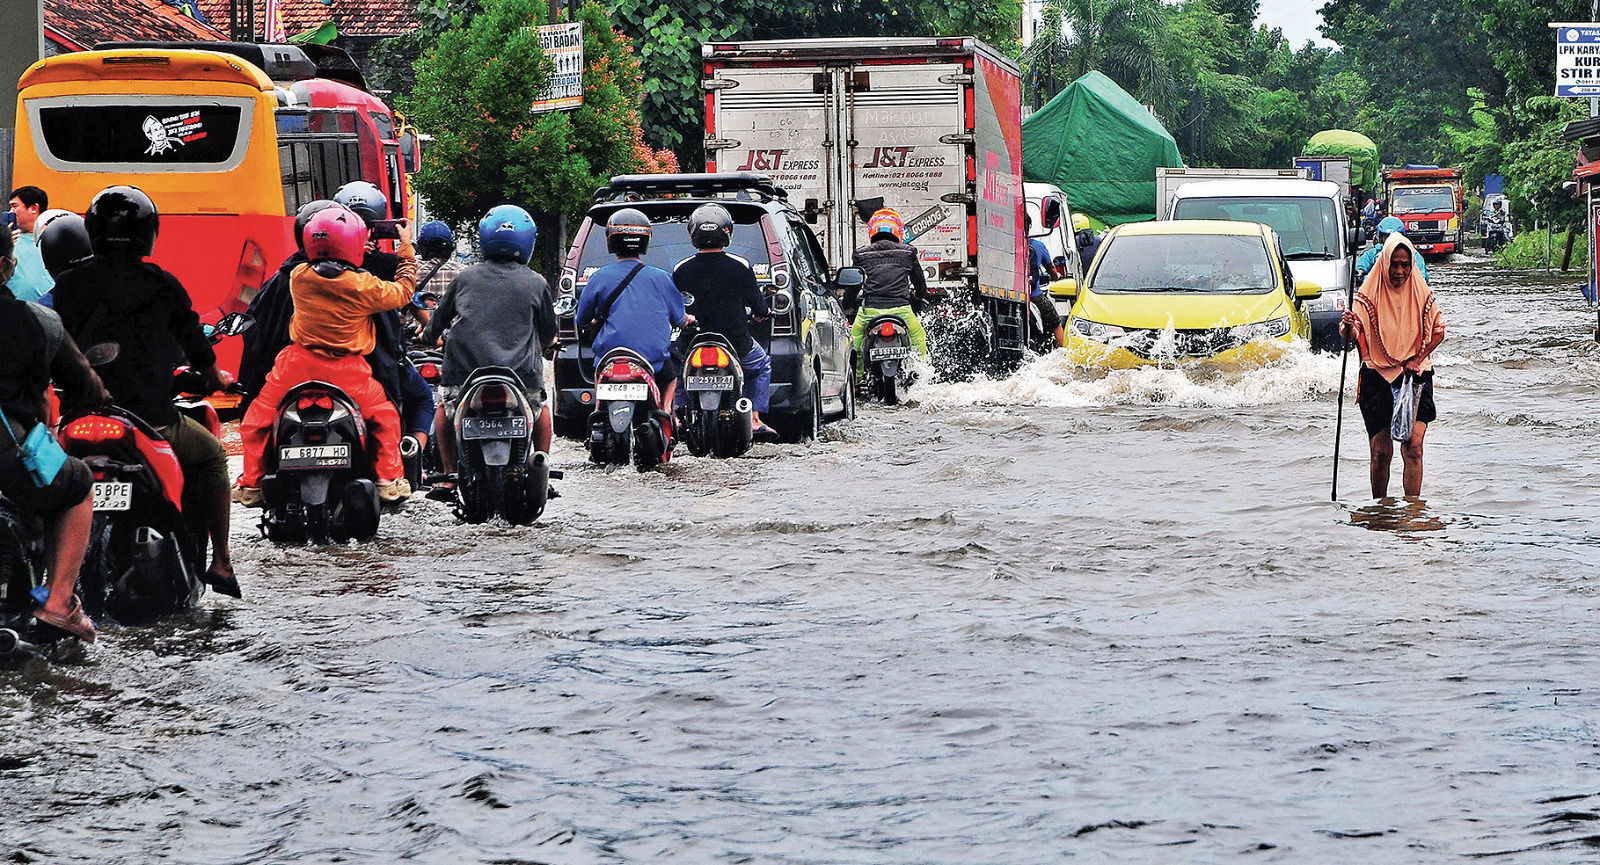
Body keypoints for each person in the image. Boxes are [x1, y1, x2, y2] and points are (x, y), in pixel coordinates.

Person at [50, 186, 240, 597]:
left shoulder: (67, 284)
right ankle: (222, 561)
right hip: (152, 421)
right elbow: (197, 345)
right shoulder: (162, 285)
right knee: (212, 457)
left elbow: (50, 344)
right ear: (149, 233)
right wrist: (215, 378)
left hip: (79, 421)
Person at [235, 207, 417, 504]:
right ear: (353, 243)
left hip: (294, 366)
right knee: (385, 419)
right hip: (349, 373)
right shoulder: (365, 286)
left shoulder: (298, 276)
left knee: (257, 419)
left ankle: (251, 484)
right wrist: (405, 247)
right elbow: (404, 291)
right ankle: (388, 480)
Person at [0, 226, 110, 642]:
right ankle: (59, 602)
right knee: (78, 482)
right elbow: (84, 382)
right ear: (3, 266)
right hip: (11, 456)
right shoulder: (38, 320)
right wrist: (100, 393)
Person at [422, 205, 557, 487]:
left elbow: (436, 324)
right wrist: (546, 345)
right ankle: (540, 466)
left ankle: (448, 475)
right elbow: (547, 334)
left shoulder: (465, 278)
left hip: (464, 374)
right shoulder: (537, 282)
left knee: (445, 409)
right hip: (520, 376)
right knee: (540, 406)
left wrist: (429, 336)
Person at [1339, 234, 1446, 500]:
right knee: (1381, 451)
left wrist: (1418, 358)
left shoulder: (1421, 293)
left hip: (1415, 375)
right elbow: (1352, 335)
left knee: (1414, 448)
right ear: (1385, 263)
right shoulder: (1367, 295)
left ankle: (1413, 510)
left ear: (1412, 265)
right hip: (1376, 375)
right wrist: (1348, 327)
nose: (1399, 271)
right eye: (1394, 264)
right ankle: (1380, 510)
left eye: (1405, 264)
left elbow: (1439, 331)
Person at [671, 203, 778, 440]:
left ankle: (675, 416)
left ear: (693, 233)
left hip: (692, 341)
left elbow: (674, 306)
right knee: (762, 365)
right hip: (736, 341)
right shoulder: (740, 266)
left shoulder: (681, 269)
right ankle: (755, 418)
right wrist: (762, 313)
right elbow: (758, 305)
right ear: (727, 233)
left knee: (675, 370)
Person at [576, 208, 689, 414]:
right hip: (653, 360)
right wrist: (687, 320)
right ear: (645, 241)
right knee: (672, 376)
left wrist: (591, 324)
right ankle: (666, 414)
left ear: (611, 241)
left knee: (599, 375)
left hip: (609, 358)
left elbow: (582, 318)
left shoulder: (599, 277)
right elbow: (679, 319)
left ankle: (600, 412)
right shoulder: (661, 277)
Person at [847, 208, 929, 373]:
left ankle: (856, 381)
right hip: (902, 312)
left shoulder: (861, 254)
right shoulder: (908, 252)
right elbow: (920, 284)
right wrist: (919, 297)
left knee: (853, 341)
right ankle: (919, 375)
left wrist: (845, 305)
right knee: (919, 337)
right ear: (898, 230)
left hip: (869, 312)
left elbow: (854, 285)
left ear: (872, 231)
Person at [8, 186, 55, 302]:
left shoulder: (53, 238)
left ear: (34, 208)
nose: (10, 212)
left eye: (15, 206)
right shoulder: (8, 240)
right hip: (13, 312)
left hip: (47, 312)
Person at [1025, 213, 1063, 348]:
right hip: (1033, 296)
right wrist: (1056, 276)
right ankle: (1062, 353)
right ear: (1028, 227)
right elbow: (1050, 267)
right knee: (1056, 323)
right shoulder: (1037, 246)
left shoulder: (1006, 245)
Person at [1355, 215, 1430, 284]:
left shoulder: (1413, 254)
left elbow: (1421, 276)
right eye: (1387, 237)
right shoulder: (1374, 253)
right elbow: (1361, 266)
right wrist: (1360, 273)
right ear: (1381, 238)